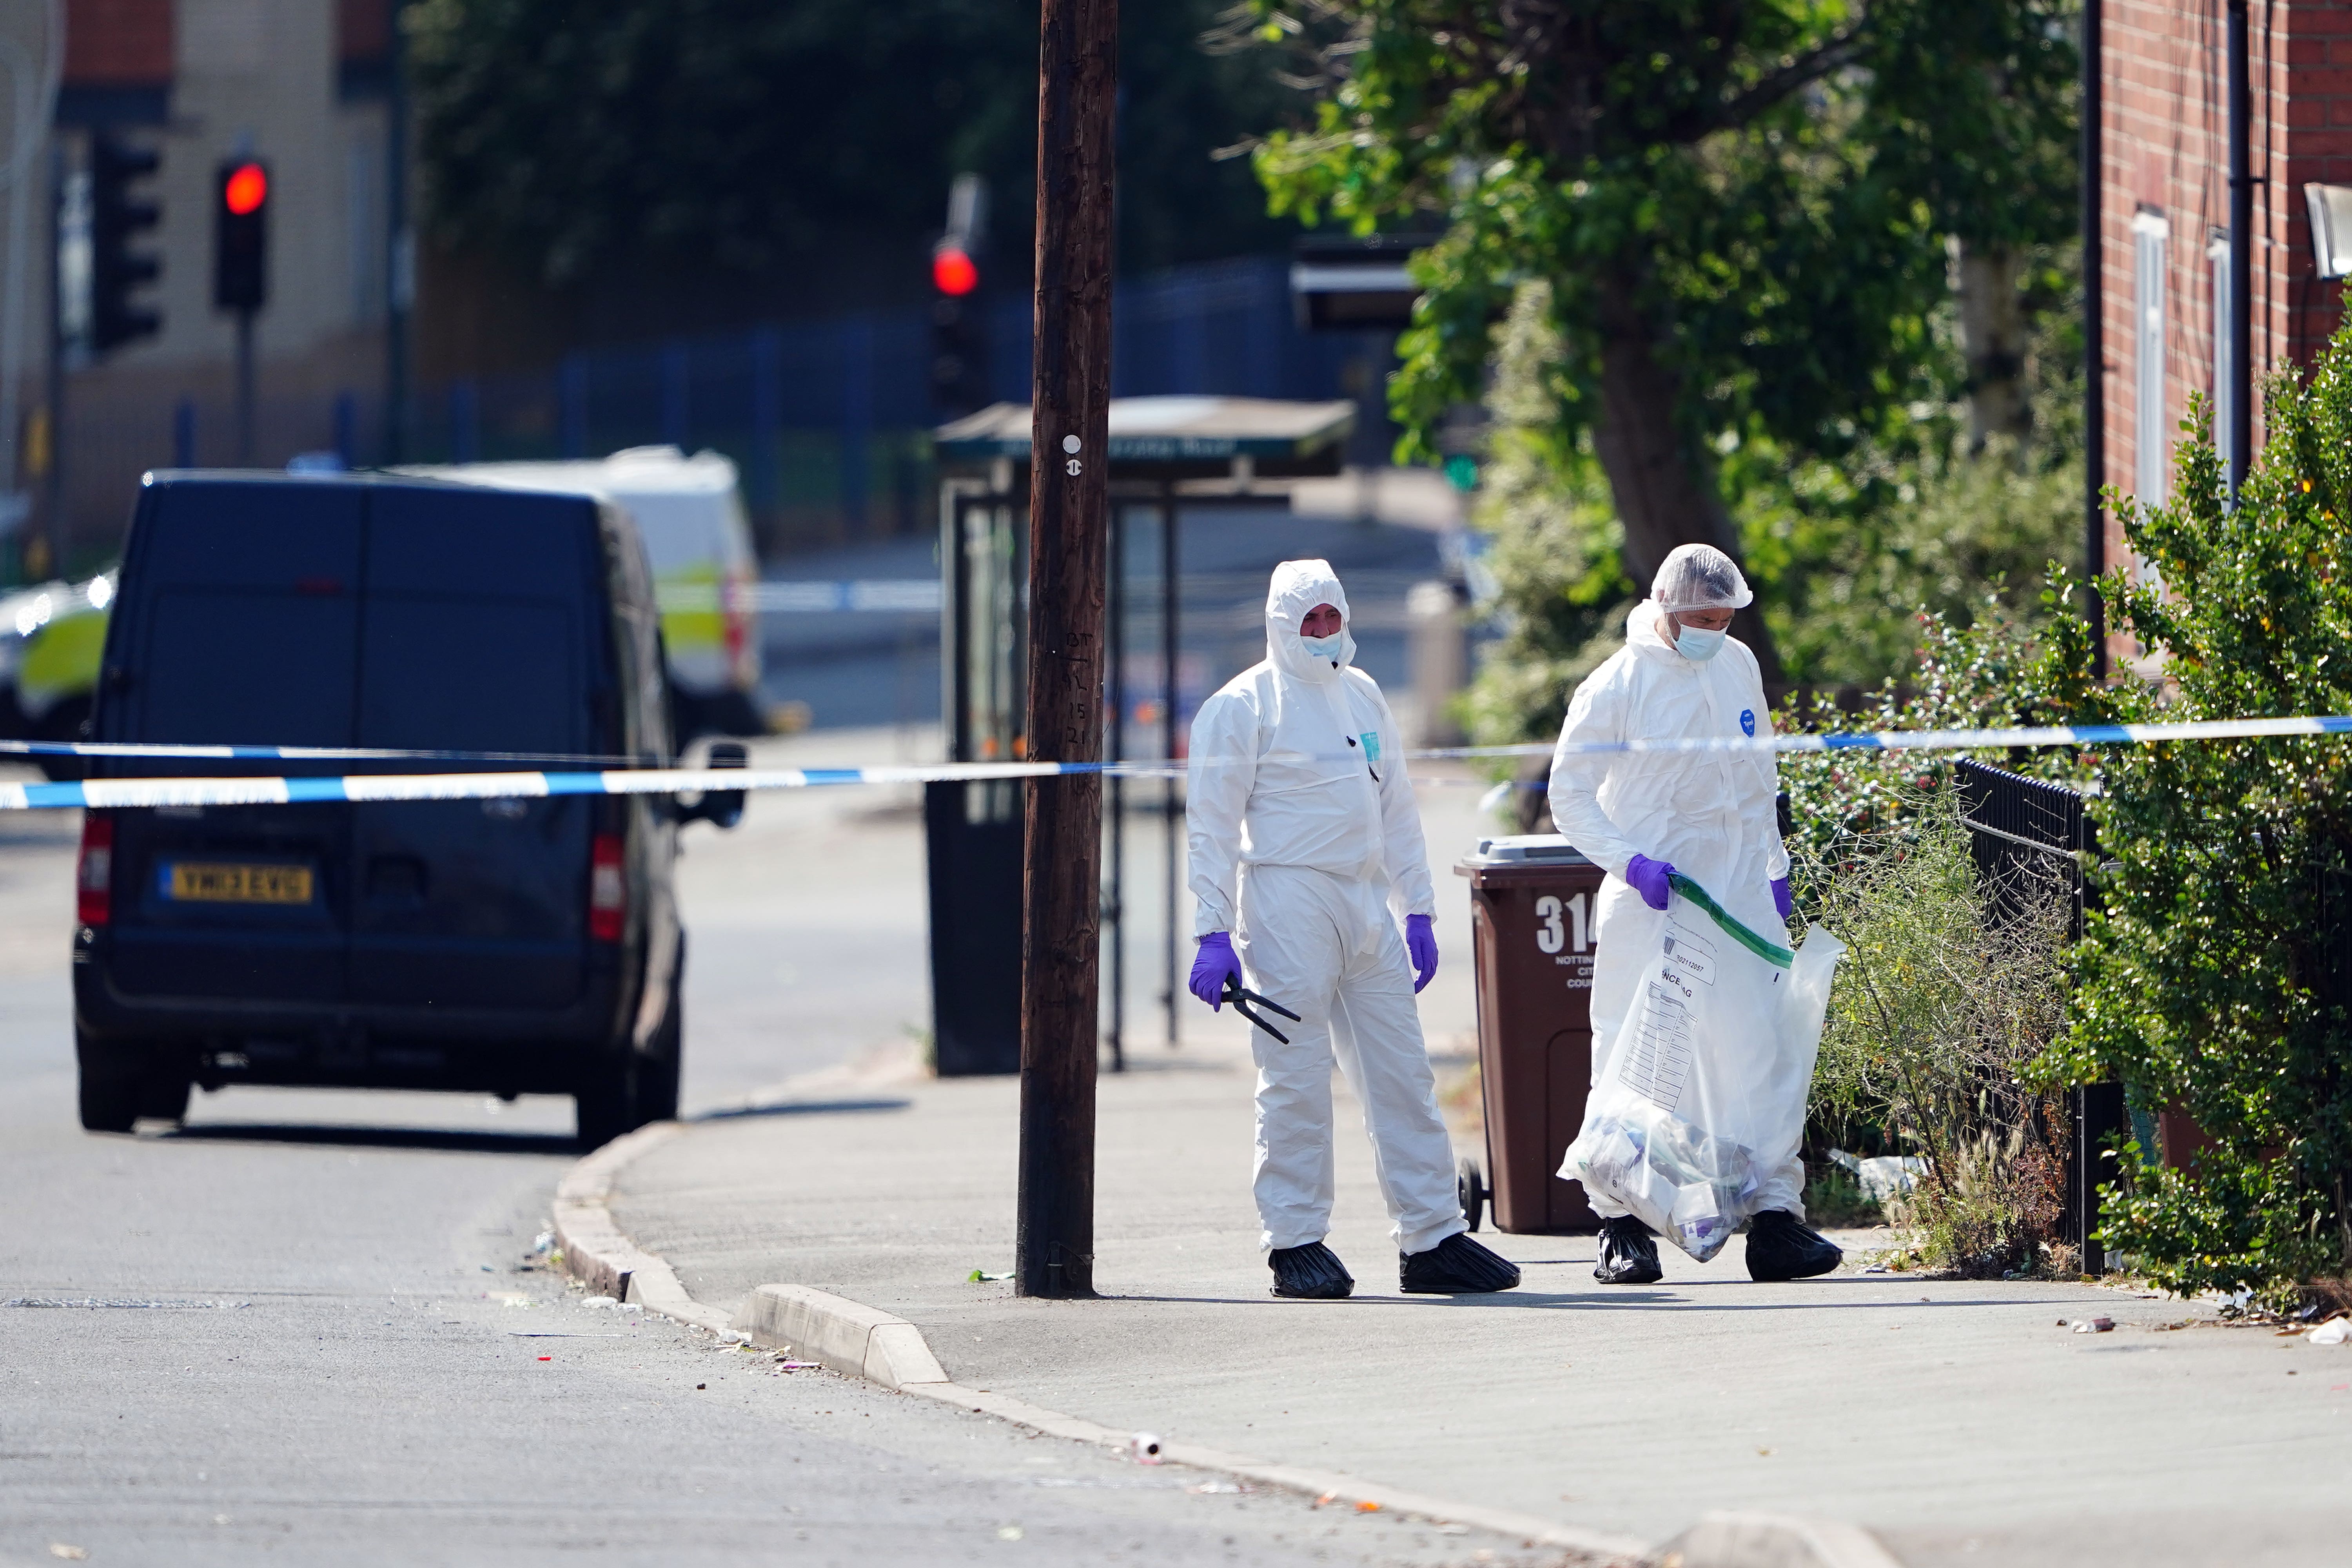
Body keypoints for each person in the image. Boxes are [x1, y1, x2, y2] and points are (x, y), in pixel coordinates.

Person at [1185, 559, 1519, 1299]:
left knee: (1404, 1077)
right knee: (1295, 1080)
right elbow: (1209, 829)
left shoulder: (1363, 695)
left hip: (1367, 906)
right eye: (1309, 621)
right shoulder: (1243, 707)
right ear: (1281, 626)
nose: (1324, 632)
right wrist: (1211, 931)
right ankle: (1295, 1241)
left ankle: (1433, 1237)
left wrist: (1421, 908)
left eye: (1332, 618)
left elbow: (1397, 807)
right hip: (1285, 904)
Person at [1546, 543, 1844, 1286]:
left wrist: (1774, 869)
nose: (1717, 628)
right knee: (1636, 1055)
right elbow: (1570, 793)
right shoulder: (1617, 684)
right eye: (1704, 618)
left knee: (1759, 1053)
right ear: (1668, 611)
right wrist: (1630, 862)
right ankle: (1621, 1226)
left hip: (1740, 894)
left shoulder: (1736, 665)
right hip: (1659, 897)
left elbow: (1759, 777)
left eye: (1725, 616)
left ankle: (1776, 1219)